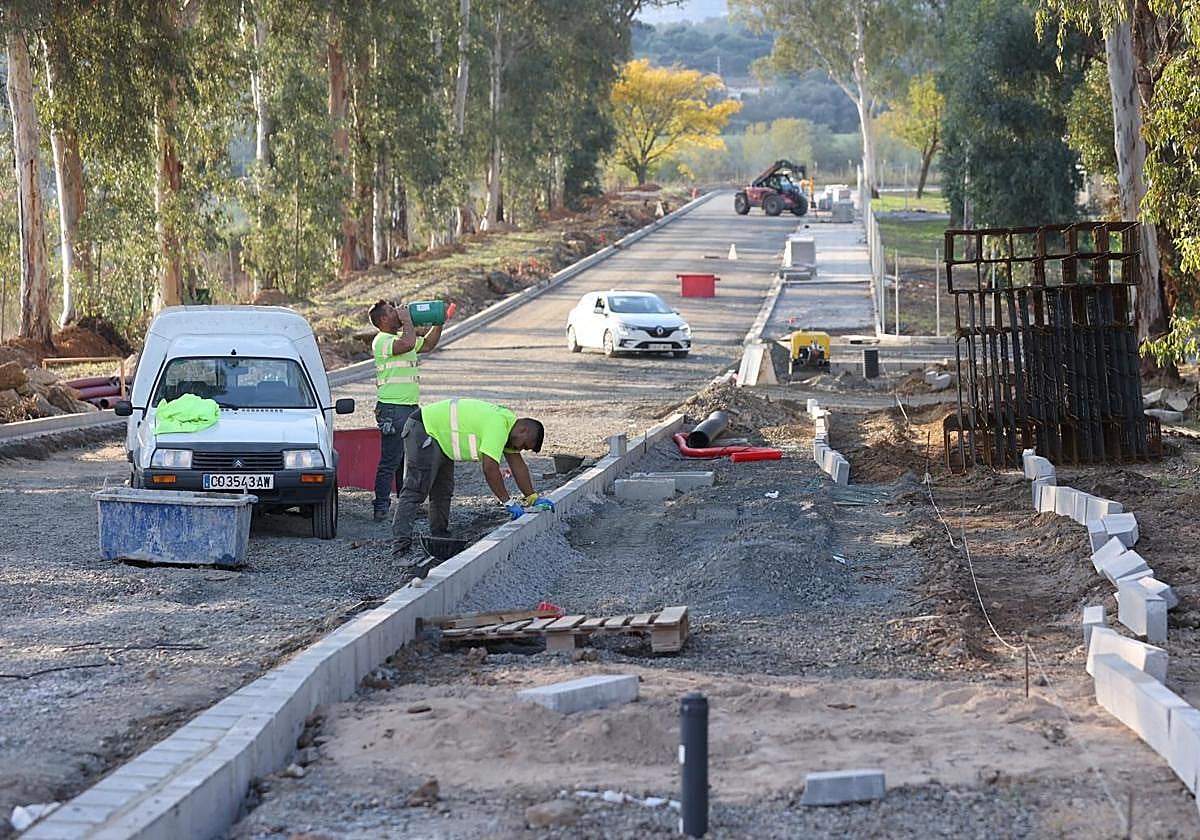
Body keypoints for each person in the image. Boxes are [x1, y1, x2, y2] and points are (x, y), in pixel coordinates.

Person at [390, 398, 552, 568]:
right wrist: (508, 502)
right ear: (523, 430)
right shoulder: (498, 426)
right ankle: (400, 551)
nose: (521, 449)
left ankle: (439, 539)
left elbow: (518, 466)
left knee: (442, 490)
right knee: (416, 490)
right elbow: (490, 469)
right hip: (424, 429)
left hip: (441, 439)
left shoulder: (508, 427)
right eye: (524, 445)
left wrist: (533, 498)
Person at [368, 299, 443, 522]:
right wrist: (409, 320)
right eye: (392, 311)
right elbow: (408, 344)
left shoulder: (402, 338)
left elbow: (427, 345)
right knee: (391, 460)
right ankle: (381, 507)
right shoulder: (382, 341)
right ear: (382, 320)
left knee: (409, 459)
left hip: (409, 408)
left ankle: (406, 504)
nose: (398, 313)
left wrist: (438, 323)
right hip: (392, 409)